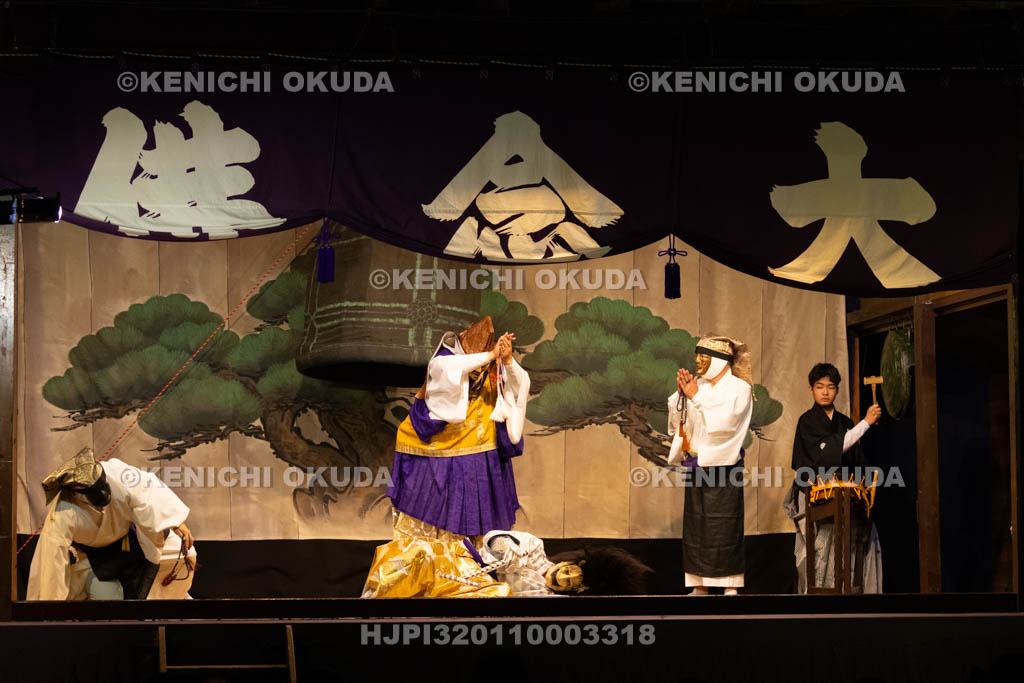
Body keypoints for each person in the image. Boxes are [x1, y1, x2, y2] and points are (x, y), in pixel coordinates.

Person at [386, 315, 530, 538]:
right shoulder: (446, 358)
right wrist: (489, 355)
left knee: (483, 515)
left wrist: (507, 359)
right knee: (442, 510)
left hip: (482, 451)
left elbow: (520, 384)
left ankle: (482, 560)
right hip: (445, 451)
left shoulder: (494, 368)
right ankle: (440, 560)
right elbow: (448, 369)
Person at [27, 447, 197, 600]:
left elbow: (149, 488)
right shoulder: (63, 512)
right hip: (95, 561)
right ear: (76, 493)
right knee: (108, 599)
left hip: (130, 543)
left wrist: (176, 522)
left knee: (185, 554)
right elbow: (52, 564)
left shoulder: (116, 473)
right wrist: (49, 609)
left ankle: (175, 604)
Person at [783, 362, 883, 593]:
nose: (825, 392)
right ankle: (817, 595)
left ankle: (850, 592)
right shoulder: (807, 421)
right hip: (815, 493)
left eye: (830, 387)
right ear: (811, 389)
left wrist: (860, 487)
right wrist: (866, 423)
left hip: (845, 495)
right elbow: (825, 454)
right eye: (820, 387)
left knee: (854, 544)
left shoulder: (845, 422)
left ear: (837, 389)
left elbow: (856, 459)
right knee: (819, 549)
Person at [666, 335, 753, 596]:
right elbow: (678, 421)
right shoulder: (698, 386)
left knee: (725, 524)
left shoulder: (740, 388)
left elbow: (725, 424)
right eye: (696, 358)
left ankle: (730, 584)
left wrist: (696, 397)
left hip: (725, 465)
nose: (698, 363)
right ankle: (699, 583)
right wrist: (682, 396)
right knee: (696, 524)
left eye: (704, 358)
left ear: (720, 361)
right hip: (697, 462)